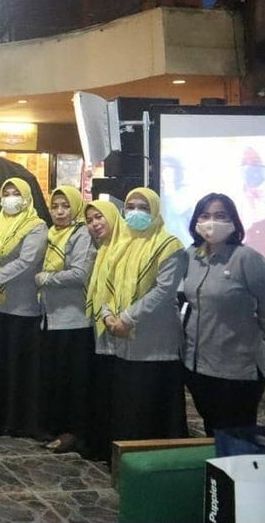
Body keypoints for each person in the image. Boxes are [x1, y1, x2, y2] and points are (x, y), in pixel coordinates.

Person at [180, 193, 265, 435]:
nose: (211, 222)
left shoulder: (247, 258)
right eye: (205, 215)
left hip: (237, 368)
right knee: (211, 429)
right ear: (196, 221)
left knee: (237, 436)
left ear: (233, 221)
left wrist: (257, 331)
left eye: (220, 215)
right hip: (197, 365)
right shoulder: (192, 256)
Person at [95, 188, 188, 449]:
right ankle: (125, 460)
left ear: (155, 211)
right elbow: (106, 284)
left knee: (151, 409)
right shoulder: (121, 244)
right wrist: (108, 316)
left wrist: (126, 318)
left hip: (155, 343)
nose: (135, 212)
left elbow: (163, 291)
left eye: (143, 207)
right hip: (122, 339)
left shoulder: (170, 245)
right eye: (131, 207)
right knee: (128, 407)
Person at [0, 177, 47, 438]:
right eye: (6, 192)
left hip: (20, 307)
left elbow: (28, 261)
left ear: (27, 196)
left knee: (15, 368)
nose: (11, 197)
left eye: (16, 192)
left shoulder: (36, 226)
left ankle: (13, 423)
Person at [35, 186, 96, 454]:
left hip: (74, 319)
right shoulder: (52, 234)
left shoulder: (81, 234)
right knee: (55, 378)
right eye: (55, 206)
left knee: (73, 381)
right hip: (51, 317)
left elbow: (80, 273)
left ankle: (72, 432)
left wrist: (47, 278)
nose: (60, 212)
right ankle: (56, 427)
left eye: (65, 206)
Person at [82, 198, 124, 461]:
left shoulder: (122, 248)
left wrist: (110, 316)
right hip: (101, 329)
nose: (95, 224)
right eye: (89, 220)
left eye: (99, 217)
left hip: (118, 328)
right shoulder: (103, 249)